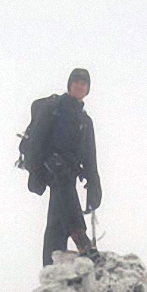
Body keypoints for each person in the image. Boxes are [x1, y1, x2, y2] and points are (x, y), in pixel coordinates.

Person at [25, 69, 102, 266]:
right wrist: (36, 168)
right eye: (76, 82)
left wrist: (94, 185)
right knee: (62, 180)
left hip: (71, 171)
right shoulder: (54, 107)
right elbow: (37, 139)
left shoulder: (85, 121)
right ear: (69, 84)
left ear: (87, 89)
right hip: (51, 165)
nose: (79, 86)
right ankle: (81, 239)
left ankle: (50, 266)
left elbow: (90, 156)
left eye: (83, 83)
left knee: (57, 220)